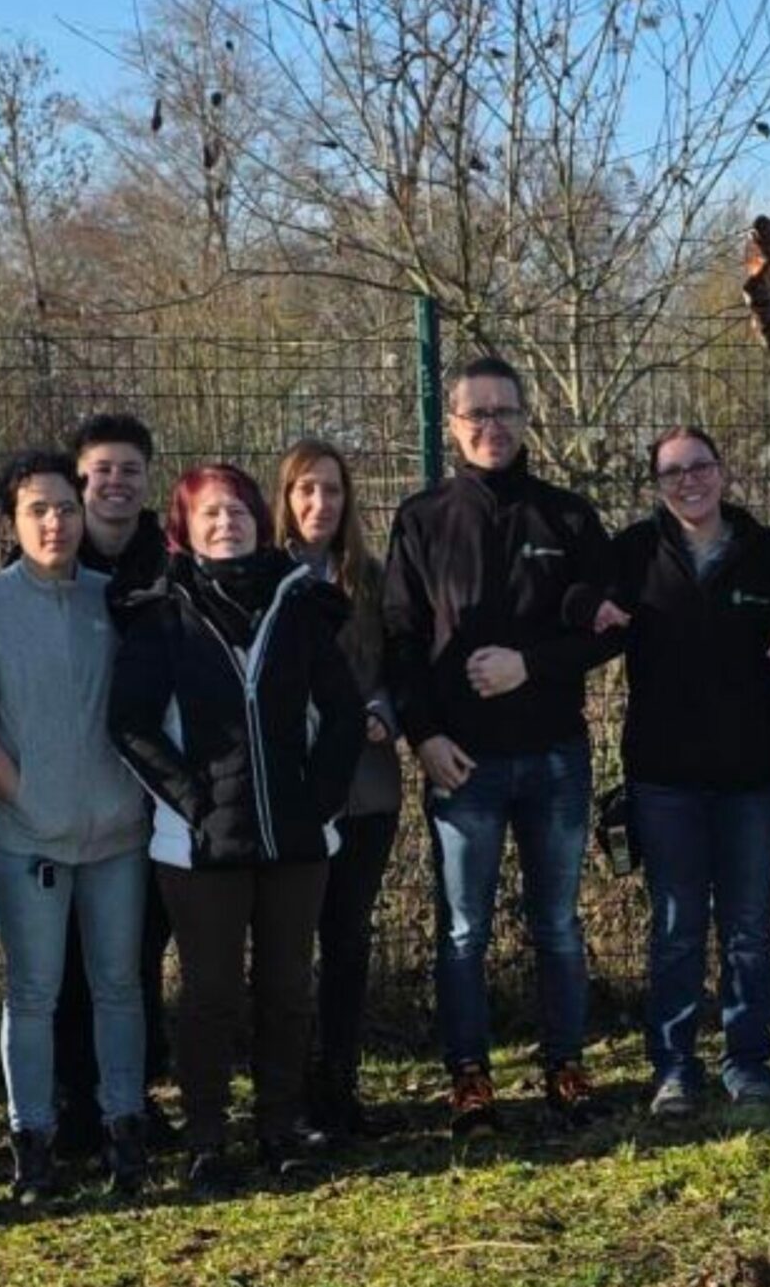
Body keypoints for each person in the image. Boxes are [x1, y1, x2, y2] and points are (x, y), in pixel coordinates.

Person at [384, 355, 622, 1135]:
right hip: (463, 761)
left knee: (556, 921)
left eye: (506, 412)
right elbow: (401, 640)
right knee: (463, 929)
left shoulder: (570, 517)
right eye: (476, 414)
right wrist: (424, 737)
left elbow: (607, 633)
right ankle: (470, 1078)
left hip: (555, 753)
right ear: (452, 425)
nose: (492, 426)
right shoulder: (421, 519)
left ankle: (565, 1064)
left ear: (527, 419)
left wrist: (533, 664)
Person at [109, 463, 364, 1191]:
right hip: (196, 846)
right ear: (184, 529)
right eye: (210, 514)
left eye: (240, 512)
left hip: (297, 839)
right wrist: (191, 800)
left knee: (287, 988)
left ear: (260, 520)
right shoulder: (160, 613)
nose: (228, 524)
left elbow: (343, 713)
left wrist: (318, 801)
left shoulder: (304, 603)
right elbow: (128, 722)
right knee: (211, 993)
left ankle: (279, 1128)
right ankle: (208, 1138)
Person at [0, 450, 154, 1199]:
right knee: (33, 991)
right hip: (26, 836)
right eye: (38, 508)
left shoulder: (113, 600)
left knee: (119, 985)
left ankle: (123, 1127)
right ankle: (30, 1139)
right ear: (14, 518)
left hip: (117, 834)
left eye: (66, 506)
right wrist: (22, 796)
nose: (55, 521)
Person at [607, 427, 770, 1123]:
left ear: (723, 472)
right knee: (674, 927)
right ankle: (674, 1065)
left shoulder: (769, 553)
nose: (688, 480)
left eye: (699, 465)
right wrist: (588, 607)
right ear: (657, 484)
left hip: (751, 777)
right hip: (663, 777)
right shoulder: (634, 553)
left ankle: (748, 1060)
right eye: (671, 471)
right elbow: (580, 601)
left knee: (748, 927)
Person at [49, 413, 173, 1159]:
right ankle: (71, 1102)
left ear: (147, 478)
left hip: (151, 792)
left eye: (130, 467)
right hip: (63, 789)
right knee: (62, 960)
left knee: (135, 955)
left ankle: (133, 1095)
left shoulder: (171, 560)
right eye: (102, 469)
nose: (116, 481)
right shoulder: (47, 558)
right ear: (79, 478)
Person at [276, 437, 402, 1139]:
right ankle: (288, 1095)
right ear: (285, 499)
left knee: (348, 939)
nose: (319, 503)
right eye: (305, 490)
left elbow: (396, 663)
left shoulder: (371, 578)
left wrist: (385, 709)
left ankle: (340, 1087)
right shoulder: (264, 576)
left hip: (366, 788)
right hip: (291, 796)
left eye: (331, 489)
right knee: (289, 947)